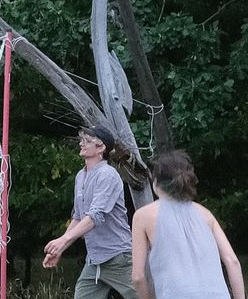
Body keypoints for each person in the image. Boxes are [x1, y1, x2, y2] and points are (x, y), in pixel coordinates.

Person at [131, 150, 244, 299]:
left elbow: (138, 277)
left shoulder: (143, 216)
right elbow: (232, 261)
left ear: (156, 181)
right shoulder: (205, 214)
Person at [42, 126, 137, 299]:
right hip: (94, 261)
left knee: (146, 295)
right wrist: (60, 249)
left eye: (87, 141)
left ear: (101, 148)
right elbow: (78, 217)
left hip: (118, 259)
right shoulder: (80, 176)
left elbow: (95, 216)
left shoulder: (108, 175)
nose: (81, 144)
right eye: (81, 140)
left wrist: (62, 239)